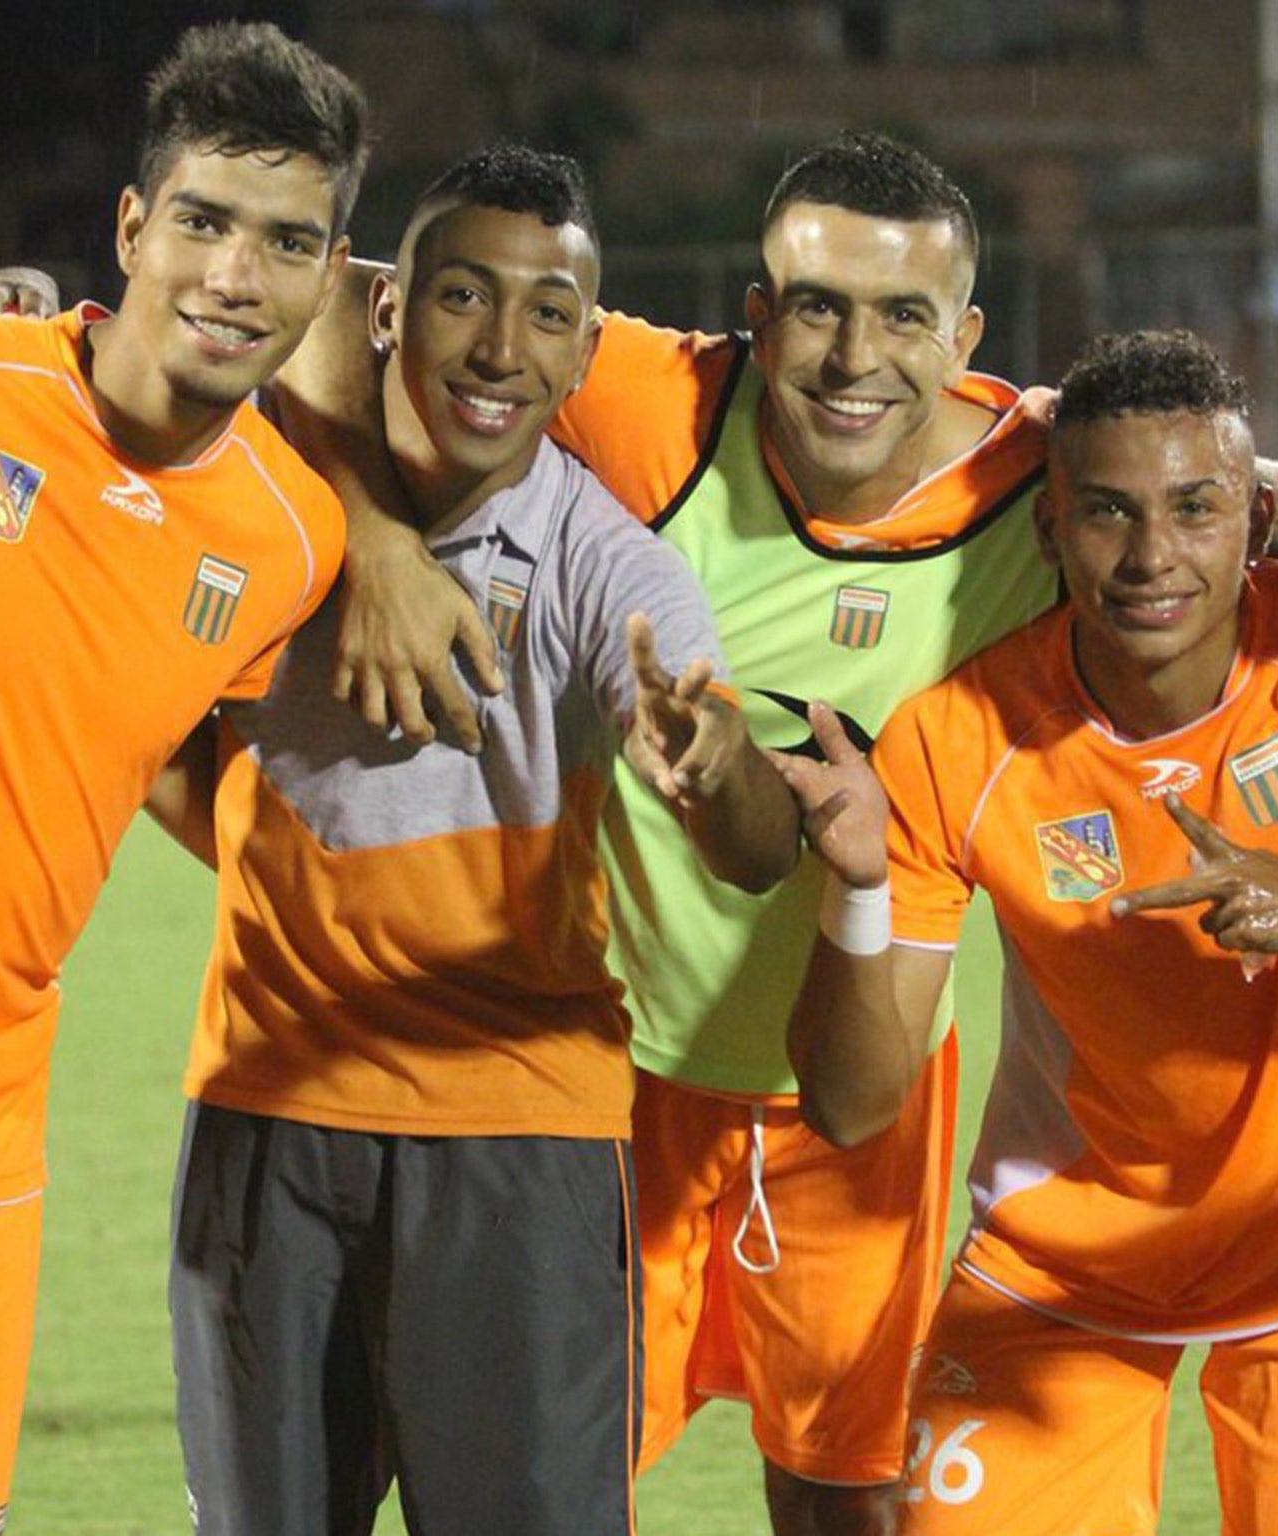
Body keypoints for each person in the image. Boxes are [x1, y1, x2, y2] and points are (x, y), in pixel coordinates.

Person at [284, 131, 1278, 1536]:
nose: (853, 357)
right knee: (523, 1488)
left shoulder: (1042, 478)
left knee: (846, 1496)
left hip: (861, 1070)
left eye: (903, 317)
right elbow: (348, 301)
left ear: (965, 340)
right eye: (816, 307)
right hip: (604, 1074)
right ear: (757, 318)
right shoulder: (660, 406)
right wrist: (377, 541)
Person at [776, 329, 1278, 1536]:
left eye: (1194, 507)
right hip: (1060, 1265)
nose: (1152, 555)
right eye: (1107, 514)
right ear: (1051, 532)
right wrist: (853, 887)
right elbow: (853, 1105)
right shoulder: (959, 738)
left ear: (1255, 518)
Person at [143, 141, 797, 1536]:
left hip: (514, 1134)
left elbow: (751, 849)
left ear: (582, 355)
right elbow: (142, 736)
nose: (500, 347)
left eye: (549, 314)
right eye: (462, 297)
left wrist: (718, 765)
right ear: (386, 308)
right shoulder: (256, 500)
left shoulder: (606, 563)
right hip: (267, 1119)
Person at [0, 22, 364, 1536]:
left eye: (284, 240)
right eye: (201, 221)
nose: (233, 275)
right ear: (133, 226)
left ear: (330, 274)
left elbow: (172, 766)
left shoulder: (285, 538)